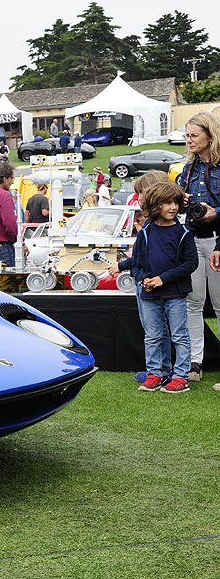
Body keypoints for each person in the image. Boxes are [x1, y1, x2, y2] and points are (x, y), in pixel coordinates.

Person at [107, 181, 197, 393]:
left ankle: (181, 377)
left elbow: (190, 263)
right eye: (167, 203)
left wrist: (162, 279)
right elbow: (137, 263)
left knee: (179, 336)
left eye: (176, 202)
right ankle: (155, 374)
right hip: (149, 295)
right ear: (155, 205)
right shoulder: (145, 232)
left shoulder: (184, 232)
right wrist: (144, 280)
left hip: (175, 294)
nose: (173, 207)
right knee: (153, 336)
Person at [178, 112, 220, 382]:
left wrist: (216, 212)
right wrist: (180, 200)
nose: (189, 141)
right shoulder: (187, 170)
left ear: (210, 136)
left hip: (218, 240)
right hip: (193, 239)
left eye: (194, 135)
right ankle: (195, 362)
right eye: (187, 136)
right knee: (192, 303)